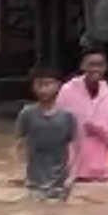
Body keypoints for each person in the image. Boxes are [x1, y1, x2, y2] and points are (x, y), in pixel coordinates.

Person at [58, 48, 108, 183]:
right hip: (72, 167)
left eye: (99, 65)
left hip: (103, 169)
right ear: (82, 66)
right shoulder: (66, 91)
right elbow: (56, 126)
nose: (95, 69)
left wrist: (99, 129)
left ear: (105, 68)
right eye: (91, 64)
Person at [14, 67, 78, 200]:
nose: (43, 89)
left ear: (58, 86)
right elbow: (19, 145)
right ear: (33, 87)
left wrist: (72, 176)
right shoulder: (27, 113)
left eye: (48, 84)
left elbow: (76, 148)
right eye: (39, 84)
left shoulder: (68, 116)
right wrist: (21, 172)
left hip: (60, 184)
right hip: (33, 183)